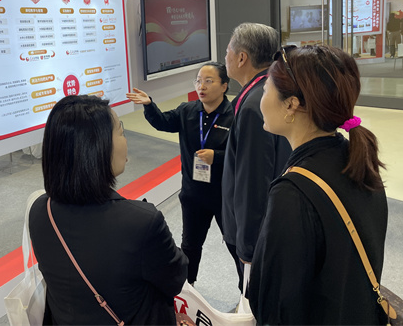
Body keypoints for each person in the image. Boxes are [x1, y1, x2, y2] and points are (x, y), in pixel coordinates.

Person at [249, 45, 388, 324]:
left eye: (265, 89)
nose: (260, 100)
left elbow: (276, 308)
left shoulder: (293, 193)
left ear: (291, 104)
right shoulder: (357, 159)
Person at [29, 95, 188, 325]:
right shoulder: (141, 222)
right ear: (98, 147)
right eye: (121, 131)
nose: (125, 139)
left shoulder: (40, 210)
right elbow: (175, 278)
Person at [126, 62, 234, 285]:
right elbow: (163, 122)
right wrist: (149, 105)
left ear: (224, 86)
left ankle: (248, 291)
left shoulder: (234, 116)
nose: (201, 86)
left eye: (208, 81)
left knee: (235, 244)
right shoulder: (187, 111)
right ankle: (189, 288)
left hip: (225, 195)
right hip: (193, 194)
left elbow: (243, 154)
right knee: (190, 246)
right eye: (198, 81)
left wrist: (217, 157)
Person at [222, 23, 291, 292]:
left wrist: (248, 248)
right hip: (271, 225)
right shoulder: (270, 91)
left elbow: (254, 182)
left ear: (242, 58)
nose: (225, 56)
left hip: (256, 237)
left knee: (253, 295)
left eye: (228, 50)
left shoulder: (254, 105)